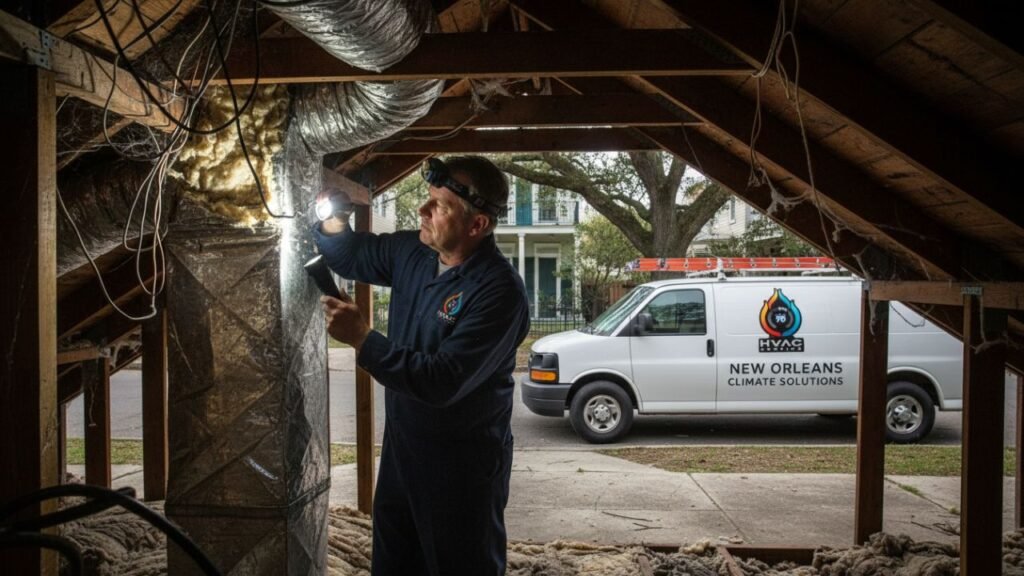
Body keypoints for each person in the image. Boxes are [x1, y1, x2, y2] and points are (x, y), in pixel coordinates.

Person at [313, 155, 530, 575]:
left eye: (440, 206)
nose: (423, 211)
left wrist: (362, 338)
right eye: (428, 199)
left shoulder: (499, 292)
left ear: (477, 225)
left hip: (461, 468)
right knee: (395, 561)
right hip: (403, 451)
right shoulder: (413, 252)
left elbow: (442, 381)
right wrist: (334, 221)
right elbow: (351, 254)